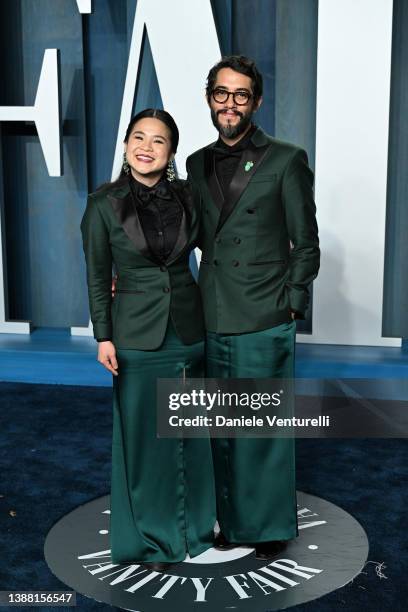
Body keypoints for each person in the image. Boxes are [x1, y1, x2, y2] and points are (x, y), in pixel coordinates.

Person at [186, 55, 320, 559]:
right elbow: (193, 235)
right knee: (221, 428)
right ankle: (232, 519)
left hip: (265, 314)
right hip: (212, 313)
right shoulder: (196, 163)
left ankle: (266, 527)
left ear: (256, 102)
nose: (231, 104)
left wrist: (291, 306)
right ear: (210, 98)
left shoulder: (286, 159)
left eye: (241, 95)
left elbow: (305, 243)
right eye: (222, 93)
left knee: (262, 430)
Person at [80, 108, 215, 572]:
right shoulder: (102, 203)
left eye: (159, 141)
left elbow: (215, 255)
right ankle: (150, 538)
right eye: (139, 137)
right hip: (135, 336)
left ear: (171, 152)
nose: (146, 146)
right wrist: (104, 337)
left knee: (193, 437)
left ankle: (195, 531)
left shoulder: (189, 197)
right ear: (125, 145)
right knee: (144, 443)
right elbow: (98, 278)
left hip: (188, 331)